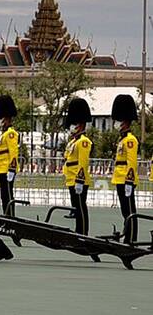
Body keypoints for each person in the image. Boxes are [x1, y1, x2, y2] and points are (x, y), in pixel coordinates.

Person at [111, 94, 139, 245]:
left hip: (125, 179)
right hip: (119, 178)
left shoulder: (130, 140)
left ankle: (132, 238)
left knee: (130, 212)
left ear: (125, 121)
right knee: (125, 211)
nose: (116, 123)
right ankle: (128, 235)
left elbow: (131, 162)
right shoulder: (122, 139)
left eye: (119, 120)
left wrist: (129, 181)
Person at [61, 98, 92, 236]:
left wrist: (80, 180)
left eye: (74, 124)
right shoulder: (74, 141)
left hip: (78, 180)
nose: (71, 127)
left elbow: (83, 163)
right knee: (76, 208)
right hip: (71, 179)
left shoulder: (84, 142)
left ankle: (83, 231)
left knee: (80, 207)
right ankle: (79, 230)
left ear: (80, 124)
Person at [0, 94, 20, 218]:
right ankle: (7, 215)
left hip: (7, 169)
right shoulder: (4, 133)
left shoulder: (11, 134)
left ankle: (10, 216)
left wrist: (12, 169)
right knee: (4, 195)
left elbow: (13, 152)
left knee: (8, 195)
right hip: (2, 168)